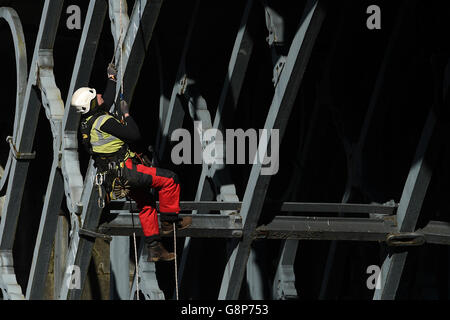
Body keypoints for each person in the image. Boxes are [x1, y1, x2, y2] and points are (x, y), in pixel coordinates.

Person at [71, 63, 191, 262]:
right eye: (96, 96)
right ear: (92, 104)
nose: (100, 95)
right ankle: (170, 222)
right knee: (170, 179)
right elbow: (134, 134)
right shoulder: (104, 122)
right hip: (127, 172)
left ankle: (154, 248)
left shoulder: (88, 122)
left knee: (146, 203)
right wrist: (126, 115)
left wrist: (111, 79)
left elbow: (106, 100)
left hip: (114, 178)